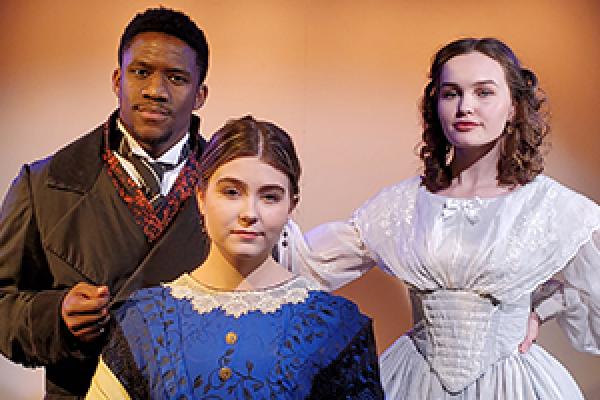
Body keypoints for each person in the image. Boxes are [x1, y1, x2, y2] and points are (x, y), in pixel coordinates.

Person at [283, 37, 600, 399]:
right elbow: (310, 263)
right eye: (451, 93)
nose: (466, 107)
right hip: (414, 381)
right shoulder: (404, 204)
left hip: (512, 385)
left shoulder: (548, 205)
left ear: (512, 107)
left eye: (484, 92)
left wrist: (539, 311)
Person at [84, 116, 384, 399]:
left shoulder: (335, 325)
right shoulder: (142, 319)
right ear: (201, 197)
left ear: (291, 206)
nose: (249, 214)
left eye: (269, 197)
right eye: (231, 192)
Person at [0, 8, 211, 398]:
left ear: (200, 95)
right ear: (117, 80)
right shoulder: (45, 185)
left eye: (176, 78)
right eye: (141, 72)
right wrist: (57, 315)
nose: (155, 90)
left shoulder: (233, 188)